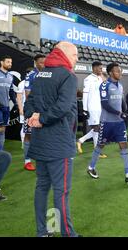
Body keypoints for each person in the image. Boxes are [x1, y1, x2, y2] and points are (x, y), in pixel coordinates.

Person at [25, 42, 80, 237]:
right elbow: (63, 107)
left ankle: (44, 232)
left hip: (40, 142)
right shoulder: (67, 76)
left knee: (42, 188)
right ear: (64, 54)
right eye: (74, 54)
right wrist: (41, 119)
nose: (77, 58)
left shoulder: (40, 74)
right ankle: (66, 234)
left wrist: (34, 117)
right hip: (59, 144)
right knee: (61, 191)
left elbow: (28, 103)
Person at [86, 62, 128, 183]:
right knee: (101, 145)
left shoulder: (120, 86)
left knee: (124, 144)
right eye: (117, 71)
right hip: (106, 122)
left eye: (120, 71)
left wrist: (125, 112)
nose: (120, 73)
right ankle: (91, 167)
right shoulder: (104, 85)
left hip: (119, 123)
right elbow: (104, 104)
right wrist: (119, 113)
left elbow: (121, 101)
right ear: (111, 73)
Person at [77, 61, 107, 159]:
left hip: (99, 107)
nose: (101, 70)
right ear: (94, 68)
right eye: (100, 68)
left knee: (97, 129)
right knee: (97, 128)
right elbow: (85, 95)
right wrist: (85, 109)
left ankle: (80, 141)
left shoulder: (99, 78)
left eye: (102, 68)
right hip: (92, 108)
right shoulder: (88, 79)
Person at [22, 54, 46, 171]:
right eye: (41, 62)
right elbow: (28, 95)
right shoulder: (31, 75)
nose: (43, 64)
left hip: (44, 111)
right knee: (29, 135)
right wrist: (34, 111)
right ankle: (27, 161)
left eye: (44, 62)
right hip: (32, 110)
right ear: (35, 63)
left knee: (43, 135)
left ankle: (40, 158)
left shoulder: (48, 74)